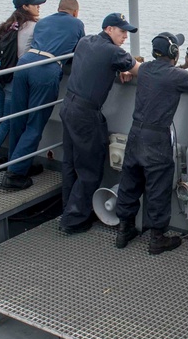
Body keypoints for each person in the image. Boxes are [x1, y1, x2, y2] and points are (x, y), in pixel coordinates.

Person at [113, 32, 188, 254]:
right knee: (157, 187)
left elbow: (164, 75)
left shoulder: (147, 69)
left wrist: (185, 66)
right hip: (156, 139)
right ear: (173, 52)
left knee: (130, 182)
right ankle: (157, 238)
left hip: (136, 133)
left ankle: (123, 231)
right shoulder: (175, 76)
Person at [58, 12, 140, 234]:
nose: (125, 36)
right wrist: (126, 67)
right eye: (121, 31)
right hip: (86, 114)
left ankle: (68, 209)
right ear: (108, 29)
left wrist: (118, 68)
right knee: (89, 169)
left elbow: (97, 64)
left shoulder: (85, 42)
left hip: (68, 106)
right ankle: (73, 221)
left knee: (70, 164)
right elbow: (140, 71)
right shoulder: (113, 52)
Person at [0, 0, 85, 191]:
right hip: (46, 68)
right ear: (75, 12)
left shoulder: (43, 21)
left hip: (25, 64)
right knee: (35, 123)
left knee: (18, 119)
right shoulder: (77, 23)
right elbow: (79, 50)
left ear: (58, 9)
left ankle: (20, 163)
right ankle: (14, 175)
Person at [0, 0, 46, 169]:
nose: (39, 6)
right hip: (13, 78)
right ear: (25, 7)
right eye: (35, 4)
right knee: (9, 120)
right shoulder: (34, 27)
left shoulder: (8, 25)